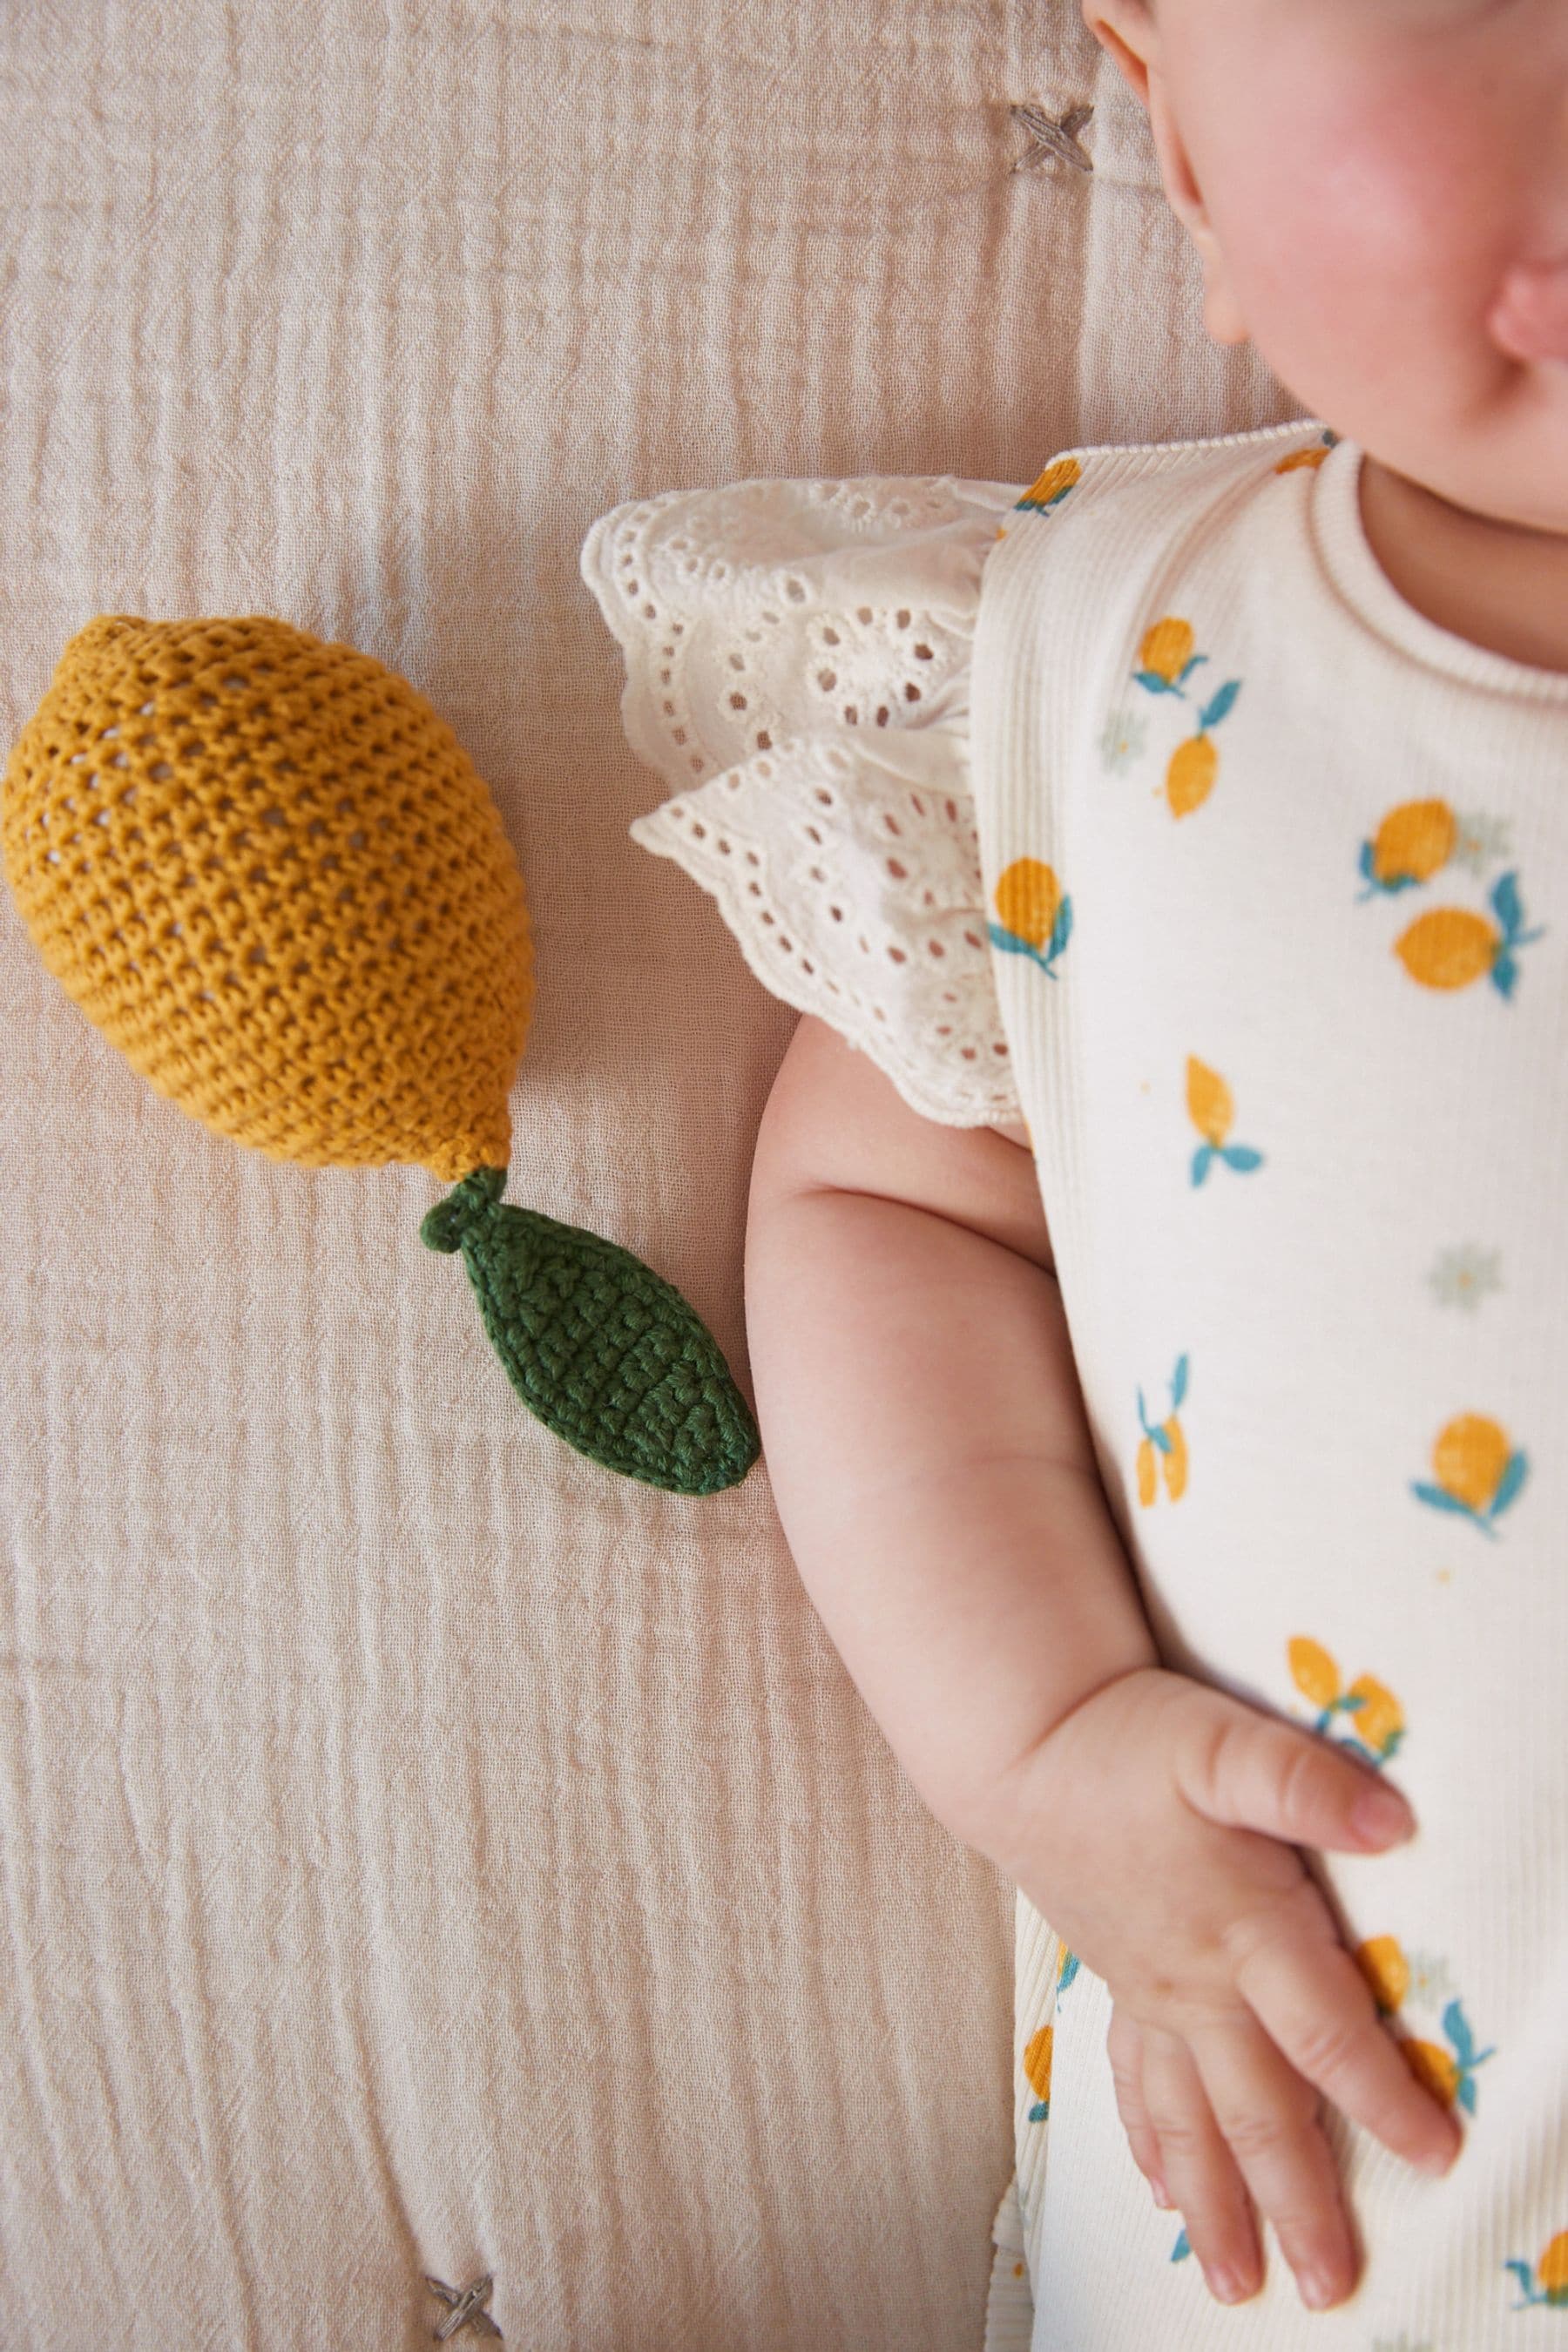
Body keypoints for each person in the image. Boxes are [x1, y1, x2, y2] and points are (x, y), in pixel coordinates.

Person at [580, 0, 1568, 2338]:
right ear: (1183, 145)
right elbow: (880, 1210)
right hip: (1357, 2233)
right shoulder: (1092, 686)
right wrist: (1045, 1738)